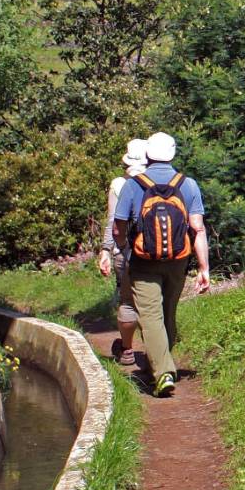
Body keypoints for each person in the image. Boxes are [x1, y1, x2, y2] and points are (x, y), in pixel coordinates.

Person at [111, 132, 211, 397]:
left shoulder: (134, 185)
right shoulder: (187, 184)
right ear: (173, 153)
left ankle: (163, 372)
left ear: (148, 156)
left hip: (143, 262)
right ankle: (161, 364)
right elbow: (198, 228)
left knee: (150, 317)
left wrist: (122, 249)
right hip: (178, 261)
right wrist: (204, 268)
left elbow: (119, 226)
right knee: (168, 313)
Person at [98, 138, 149, 366]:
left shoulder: (119, 184)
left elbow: (113, 222)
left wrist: (106, 250)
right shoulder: (162, 181)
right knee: (153, 303)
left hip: (126, 252)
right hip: (157, 252)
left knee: (128, 302)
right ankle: (155, 354)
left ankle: (127, 350)